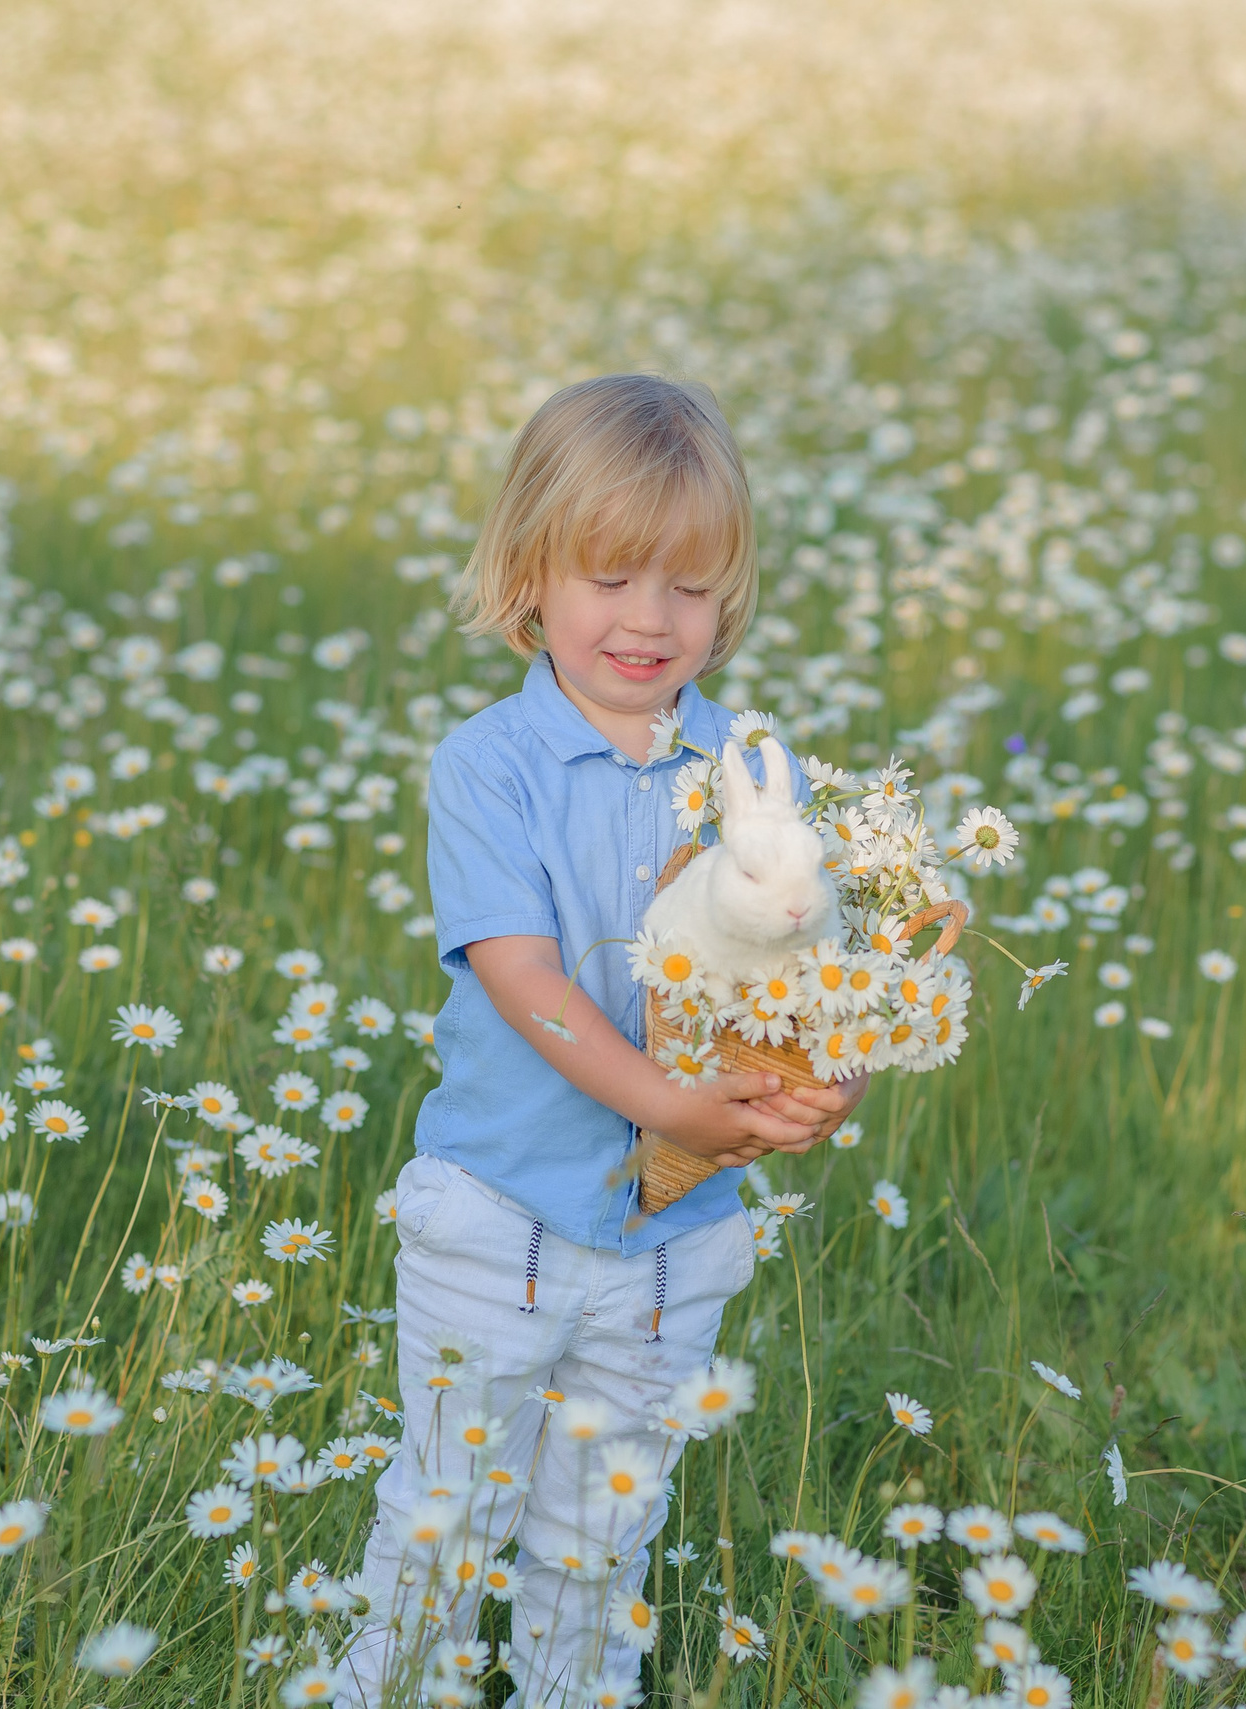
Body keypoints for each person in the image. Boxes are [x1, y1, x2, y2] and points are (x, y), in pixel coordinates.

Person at [342, 374, 867, 1706]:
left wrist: (824, 1079)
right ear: (531, 573)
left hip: (669, 1244)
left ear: (729, 597)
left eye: (689, 586)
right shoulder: (489, 768)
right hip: (498, 1225)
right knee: (448, 1515)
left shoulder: (749, 769)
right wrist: (668, 1100)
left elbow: (799, 976)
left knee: (605, 1530)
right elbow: (522, 976)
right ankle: (394, 1687)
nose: (650, 617)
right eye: (612, 575)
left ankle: (577, 1691)